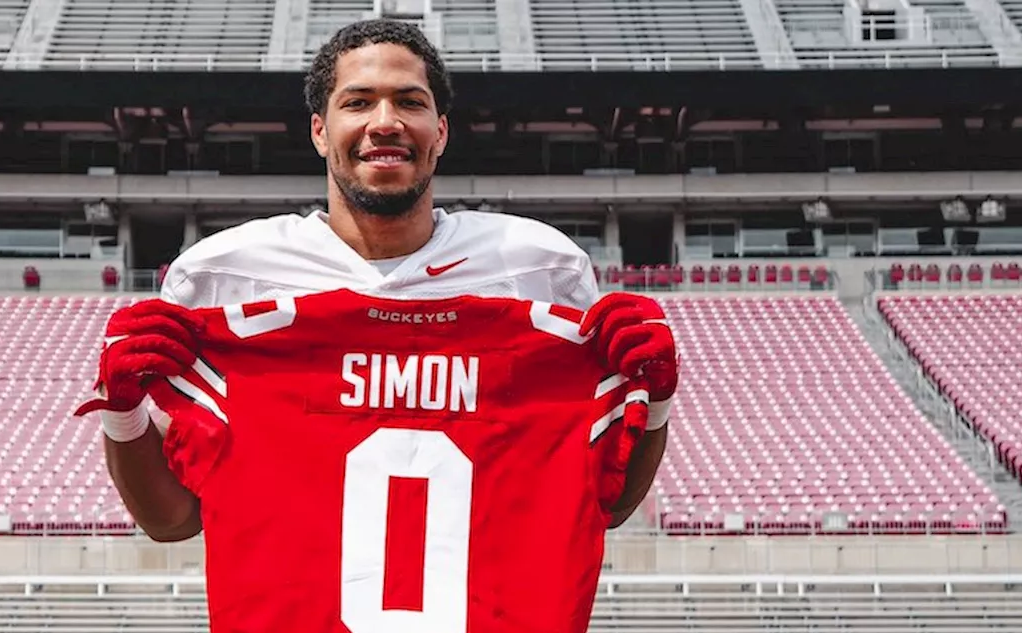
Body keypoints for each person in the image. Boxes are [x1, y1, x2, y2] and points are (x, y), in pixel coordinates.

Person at [91, 18, 675, 543]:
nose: (386, 122)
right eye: (359, 102)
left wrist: (655, 405)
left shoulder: (539, 267)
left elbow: (607, 503)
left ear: (440, 132)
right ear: (320, 131)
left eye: (410, 102)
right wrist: (124, 414)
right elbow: (171, 520)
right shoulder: (223, 275)